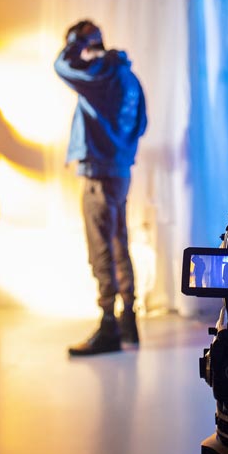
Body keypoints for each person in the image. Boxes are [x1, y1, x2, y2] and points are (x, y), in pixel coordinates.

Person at [55, 19, 147, 356]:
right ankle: (128, 321)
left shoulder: (100, 75)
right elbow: (141, 124)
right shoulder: (128, 77)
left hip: (99, 173)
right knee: (119, 241)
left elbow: (62, 66)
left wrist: (75, 43)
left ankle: (109, 325)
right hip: (120, 170)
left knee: (101, 248)